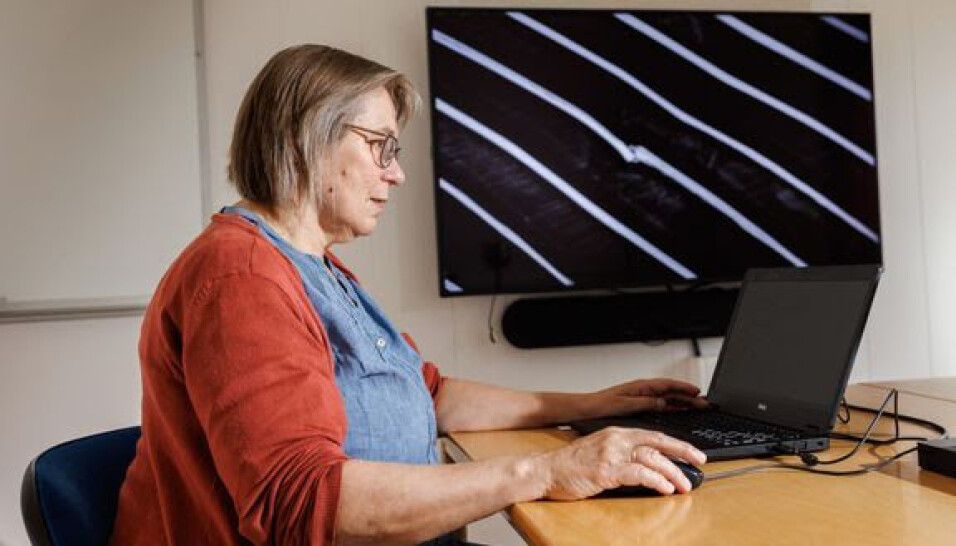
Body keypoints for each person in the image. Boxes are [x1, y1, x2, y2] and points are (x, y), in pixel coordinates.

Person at [111, 44, 708, 546]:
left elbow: (431, 395)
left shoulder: (316, 268)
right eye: (381, 145)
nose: (395, 173)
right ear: (303, 140)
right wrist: (546, 471)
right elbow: (299, 502)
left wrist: (591, 405)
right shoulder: (242, 277)